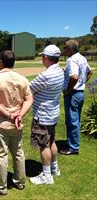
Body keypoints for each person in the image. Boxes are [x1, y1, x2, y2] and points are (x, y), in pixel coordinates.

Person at [0, 50, 33, 195]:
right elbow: (29, 99)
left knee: (1, 154)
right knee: (18, 152)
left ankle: (1, 186)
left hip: (0, 124)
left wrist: (10, 115)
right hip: (16, 124)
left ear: (0, 61)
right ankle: (19, 182)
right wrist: (19, 115)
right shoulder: (22, 79)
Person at [29, 45, 64, 185]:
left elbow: (29, 89)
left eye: (43, 56)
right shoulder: (60, 71)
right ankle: (55, 168)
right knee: (52, 141)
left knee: (44, 145)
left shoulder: (46, 75)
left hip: (43, 115)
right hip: (53, 113)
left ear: (46, 57)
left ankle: (47, 175)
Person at [60, 40, 92, 155]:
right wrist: (82, 83)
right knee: (75, 120)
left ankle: (73, 147)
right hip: (80, 93)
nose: (63, 50)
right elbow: (89, 72)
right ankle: (71, 142)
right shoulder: (82, 58)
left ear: (70, 49)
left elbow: (74, 77)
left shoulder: (72, 60)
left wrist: (69, 89)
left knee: (72, 121)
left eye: (65, 48)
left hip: (73, 94)